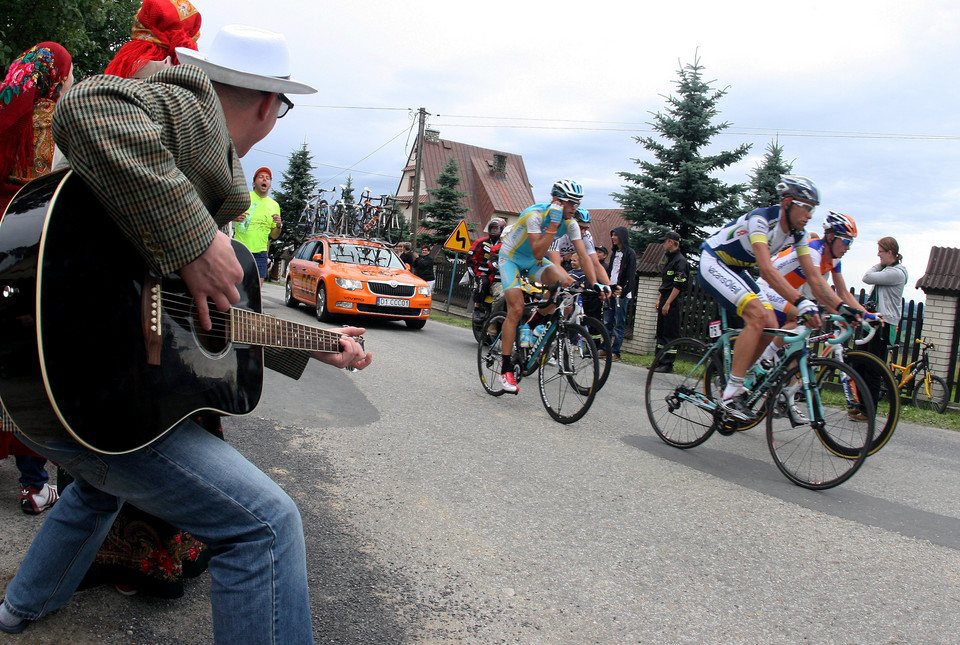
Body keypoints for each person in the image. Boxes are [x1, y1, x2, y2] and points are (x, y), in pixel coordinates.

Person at [0, 25, 371, 641]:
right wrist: (196, 240)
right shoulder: (188, 110)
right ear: (266, 106)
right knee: (266, 525)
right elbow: (85, 106)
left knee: (99, 488)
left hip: (68, 399)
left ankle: (21, 607)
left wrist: (320, 346)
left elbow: (196, 314)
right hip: (90, 387)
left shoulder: (191, 152)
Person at [0, 41, 75, 515]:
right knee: (29, 364)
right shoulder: (61, 126)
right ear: (57, 77)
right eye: (68, 73)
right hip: (33, 260)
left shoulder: (7, 119)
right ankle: (33, 484)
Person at [697, 175, 822, 422]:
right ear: (787, 202)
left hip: (737, 268)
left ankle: (737, 378)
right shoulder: (761, 220)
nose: (809, 215)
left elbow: (815, 278)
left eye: (812, 210)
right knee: (756, 315)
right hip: (714, 260)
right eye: (805, 207)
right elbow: (766, 270)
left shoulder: (799, 234)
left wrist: (847, 309)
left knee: (770, 324)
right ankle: (731, 393)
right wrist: (800, 301)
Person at [496, 179, 609, 393]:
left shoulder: (572, 223)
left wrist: (596, 285)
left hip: (534, 262)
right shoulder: (534, 215)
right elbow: (539, 251)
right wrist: (554, 227)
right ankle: (506, 369)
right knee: (516, 308)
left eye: (578, 203)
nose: (574, 208)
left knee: (567, 283)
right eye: (571, 203)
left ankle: (535, 321)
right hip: (511, 258)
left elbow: (583, 255)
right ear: (557, 201)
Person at [862, 236, 908, 406]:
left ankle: (869, 409)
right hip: (872, 320)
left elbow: (867, 277)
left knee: (873, 367)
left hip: (884, 323)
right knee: (860, 362)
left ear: (890, 252)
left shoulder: (895, 272)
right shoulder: (888, 270)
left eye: (881, 252)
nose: (878, 255)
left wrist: (881, 265)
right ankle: (860, 404)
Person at [547, 207, 610, 321]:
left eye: (586, 228)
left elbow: (595, 263)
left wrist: (608, 286)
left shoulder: (586, 236)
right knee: (551, 299)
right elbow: (555, 264)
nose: (582, 232)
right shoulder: (560, 232)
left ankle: (561, 330)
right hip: (544, 259)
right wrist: (572, 281)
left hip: (561, 264)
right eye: (580, 227)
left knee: (568, 306)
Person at [234, 166, 282, 285]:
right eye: (261, 177)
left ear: (270, 185)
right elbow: (227, 216)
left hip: (260, 252)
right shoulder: (244, 197)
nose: (264, 179)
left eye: (267, 178)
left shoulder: (274, 205)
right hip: (240, 248)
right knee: (235, 284)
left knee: (256, 288)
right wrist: (235, 217)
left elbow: (274, 235)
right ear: (254, 183)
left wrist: (279, 225)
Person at [653, 230, 689, 373]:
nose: (663, 244)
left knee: (670, 334)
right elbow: (665, 283)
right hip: (665, 299)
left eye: (665, 241)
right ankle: (659, 361)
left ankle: (668, 364)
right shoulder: (670, 259)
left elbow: (678, 285)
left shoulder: (680, 261)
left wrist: (668, 303)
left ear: (671, 242)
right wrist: (660, 299)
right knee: (661, 332)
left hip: (673, 302)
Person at [603, 226, 637, 362]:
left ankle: (616, 350)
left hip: (621, 293)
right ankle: (605, 348)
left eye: (615, 235)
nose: (613, 238)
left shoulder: (630, 253)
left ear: (622, 236)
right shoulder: (614, 253)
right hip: (610, 291)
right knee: (607, 321)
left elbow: (631, 274)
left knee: (619, 323)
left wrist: (624, 290)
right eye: (612, 235)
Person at [467, 217, 505, 323]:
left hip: (499, 273)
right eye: (492, 228)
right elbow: (470, 257)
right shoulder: (481, 242)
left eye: (496, 229)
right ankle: (477, 309)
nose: (494, 231)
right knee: (483, 283)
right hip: (483, 272)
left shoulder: (506, 244)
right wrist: (475, 273)